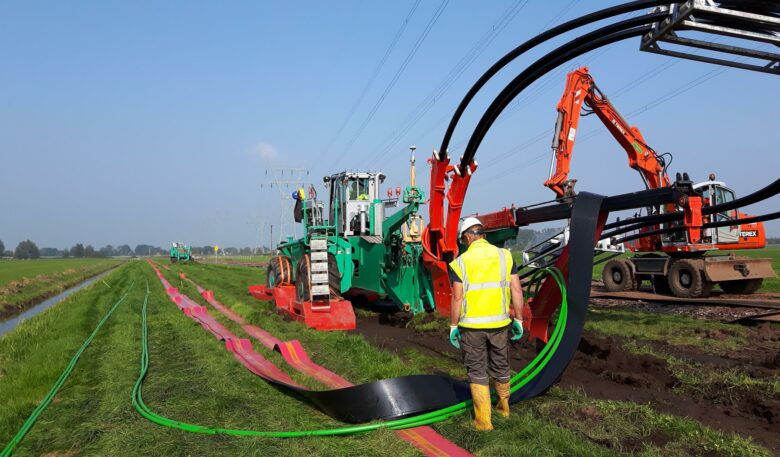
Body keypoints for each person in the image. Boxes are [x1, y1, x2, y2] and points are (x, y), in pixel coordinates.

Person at [448, 216, 525, 431]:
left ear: (466, 237)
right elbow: (517, 290)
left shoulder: (460, 262)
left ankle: (483, 423)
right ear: (482, 234)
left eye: (463, 241)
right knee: (501, 366)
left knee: (477, 371)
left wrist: (453, 325)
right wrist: (519, 319)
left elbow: (457, 298)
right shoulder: (505, 256)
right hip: (500, 324)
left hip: (472, 328)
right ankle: (504, 409)